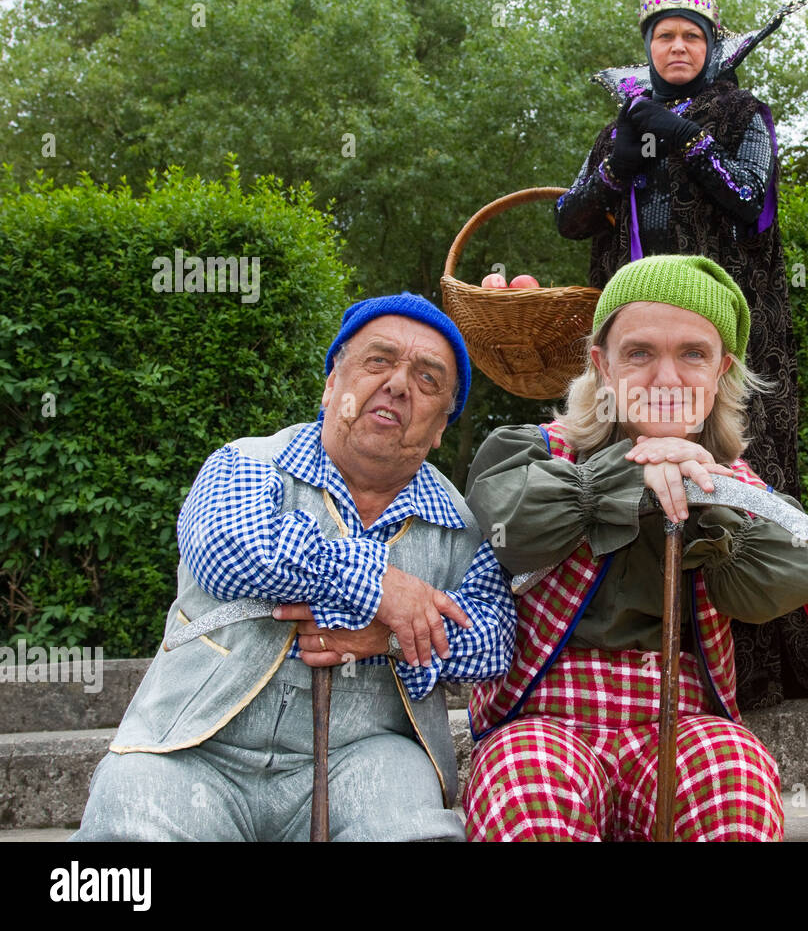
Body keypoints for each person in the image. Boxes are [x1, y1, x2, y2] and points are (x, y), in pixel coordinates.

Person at [73, 294, 516, 842]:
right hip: (193, 747)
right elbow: (228, 550)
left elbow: (495, 640)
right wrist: (380, 585)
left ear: (442, 425)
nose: (400, 385)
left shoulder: (462, 525)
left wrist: (388, 637)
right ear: (333, 383)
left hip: (365, 757)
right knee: (131, 834)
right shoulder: (248, 461)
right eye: (378, 361)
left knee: (408, 829)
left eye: (428, 380)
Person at [462, 254, 808, 841]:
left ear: (721, 371)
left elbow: (781, 582)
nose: (667, 378)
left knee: (737, 782)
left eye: (693, 354)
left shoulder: (731, 480)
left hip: (677, 716)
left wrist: (709, 496)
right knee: (530, 796)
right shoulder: (538, 454)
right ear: (602, 365)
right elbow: (511, 526)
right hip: (543, 720)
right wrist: (632, 474)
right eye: (640, 353)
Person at [555, 0, 808, 708]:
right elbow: (570, 217)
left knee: (735, 461)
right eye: (665, 35)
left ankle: (751, 661)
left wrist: (689, 142)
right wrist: (619, 166)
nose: (678, 45)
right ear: (648, 46)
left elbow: (753, 204)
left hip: (726, 329)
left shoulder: (743, 114)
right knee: (623, 460)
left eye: (692, 35)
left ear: (711, 47)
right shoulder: (621, 122)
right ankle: (633, 644)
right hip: (636, 333)